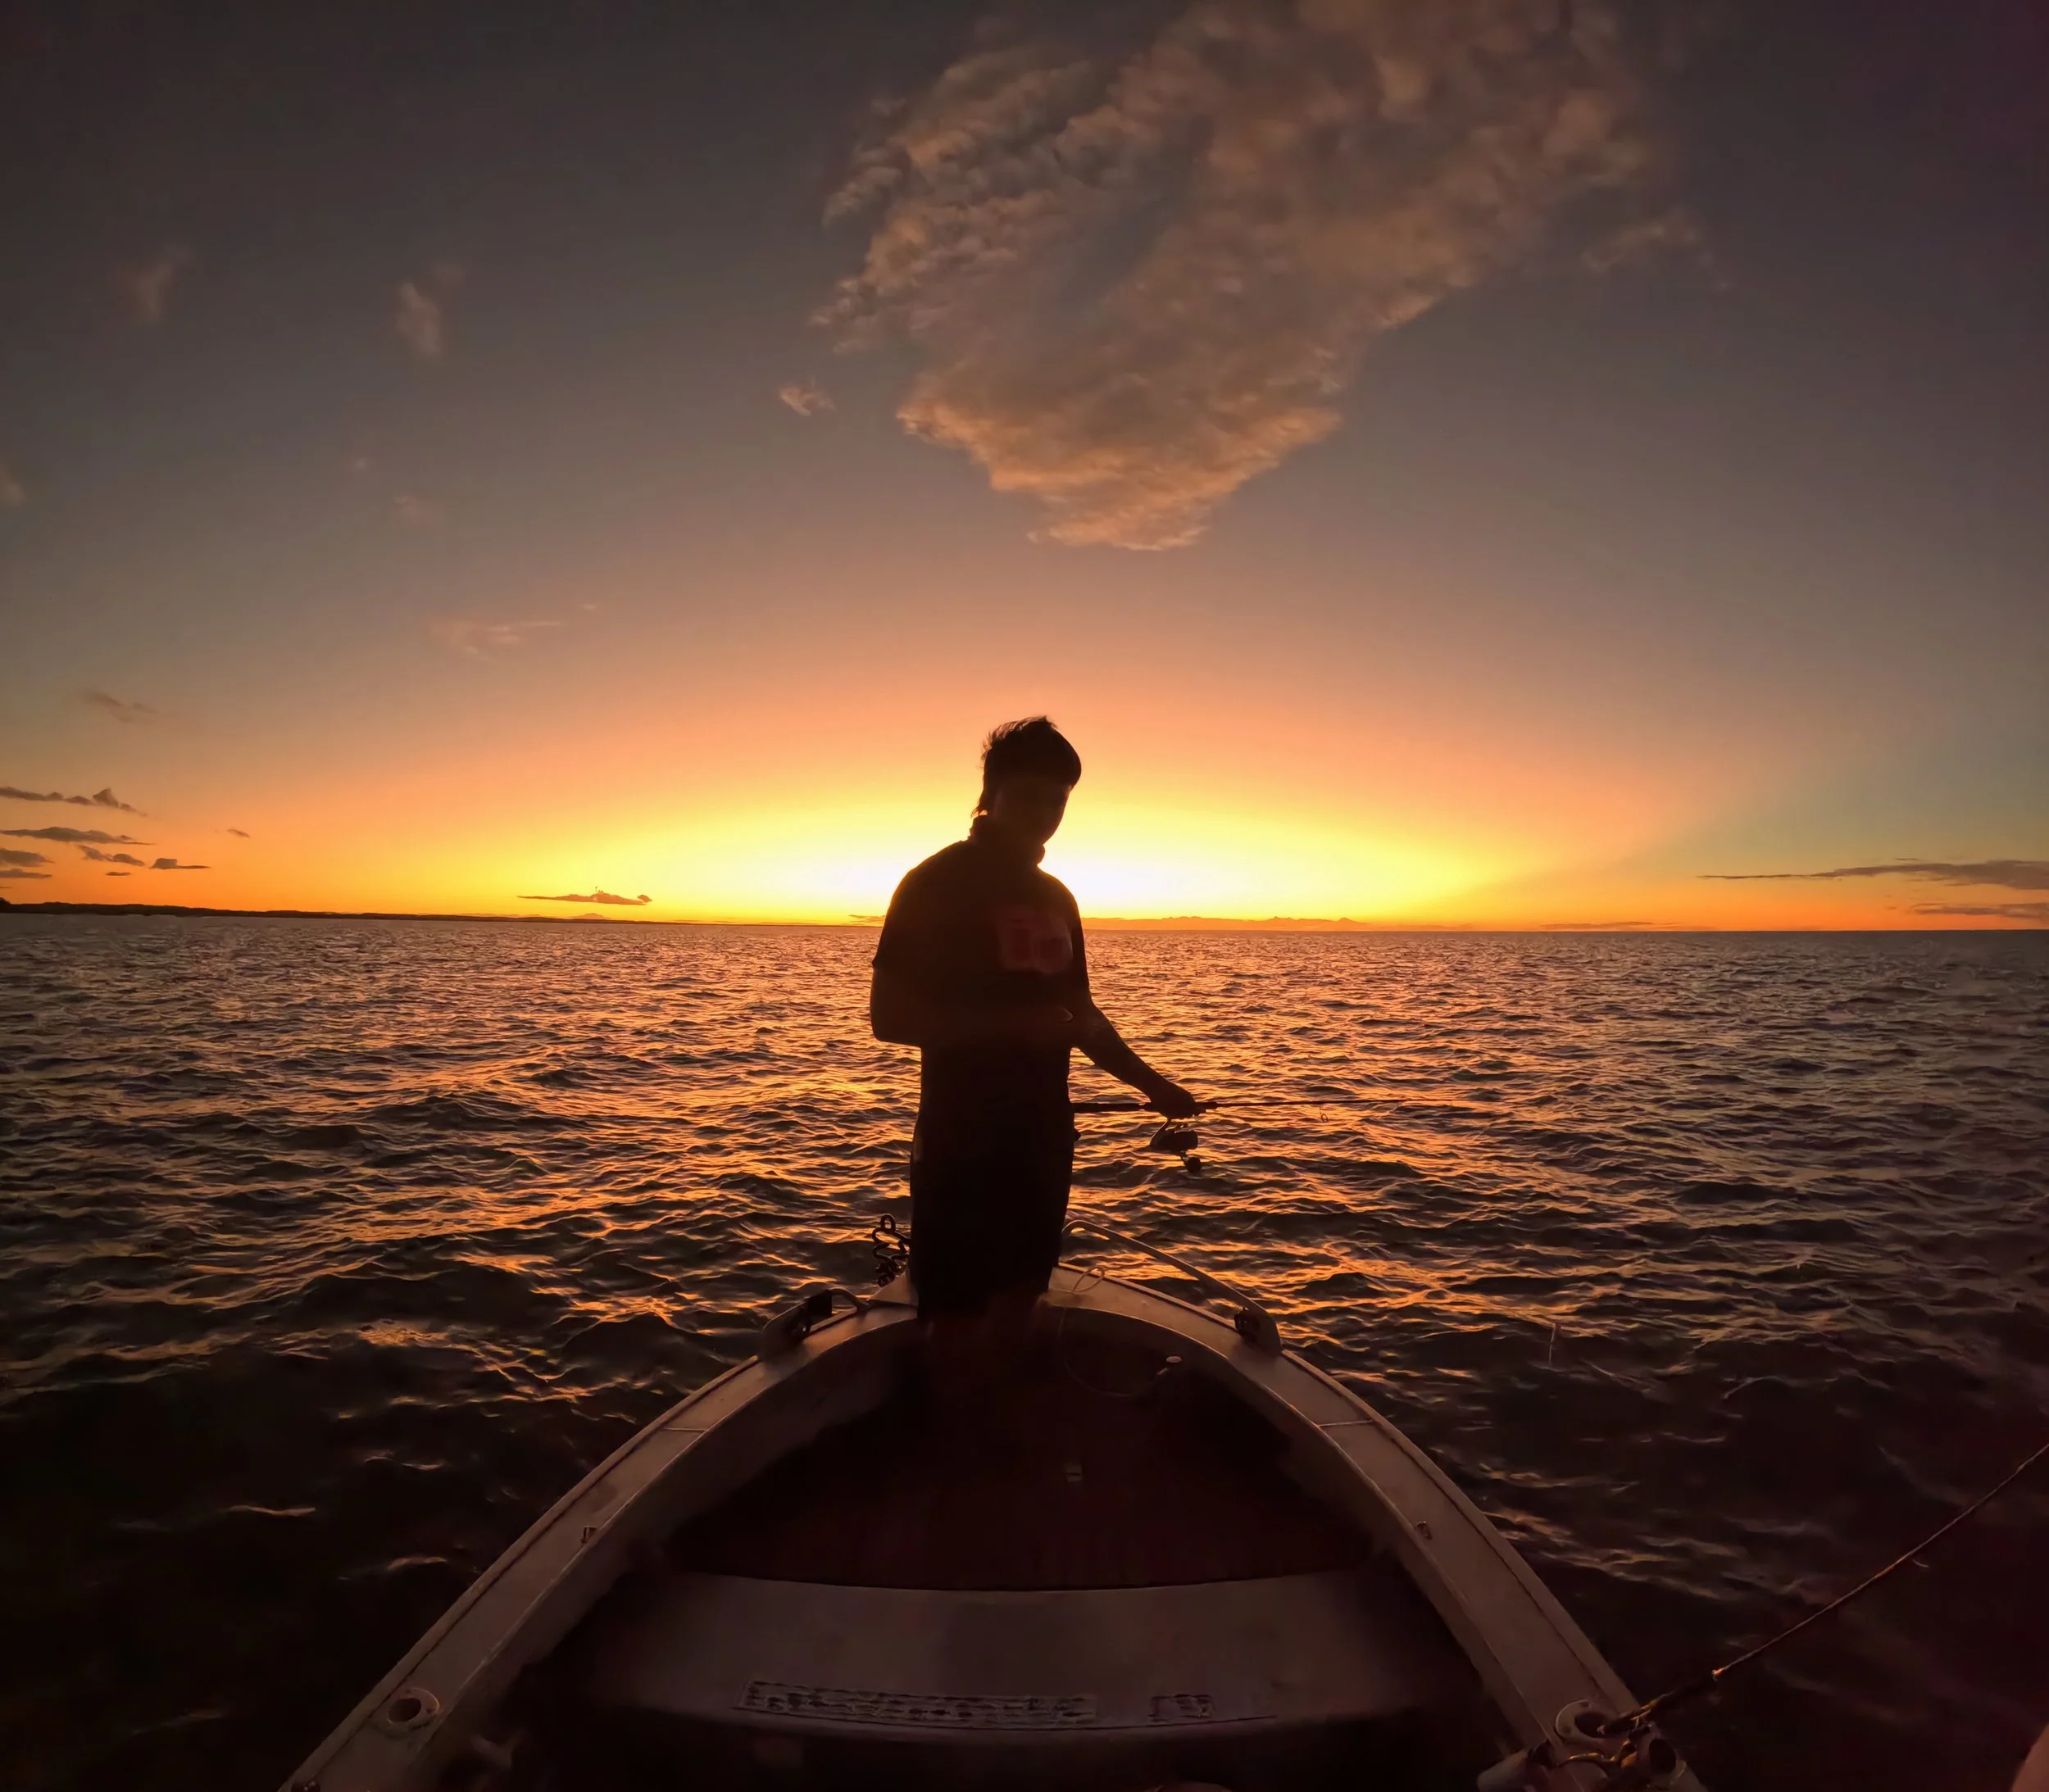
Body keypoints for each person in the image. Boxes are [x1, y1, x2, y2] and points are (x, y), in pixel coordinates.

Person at [870, 718, 1198, 1360]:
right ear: (990, 794)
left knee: (1025, 1291)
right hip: (961, 1136)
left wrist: (1154, 1085)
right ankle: (960, 1439)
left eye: (1058, 799)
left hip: (1044, 1134)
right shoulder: (934, 883)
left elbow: (1082, 1015)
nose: (1045, 813)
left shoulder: (1057, 897)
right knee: (957, 1310)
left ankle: (1005, 1421)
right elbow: (890, 1017)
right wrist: (1012, 1027)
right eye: (1029, 795)